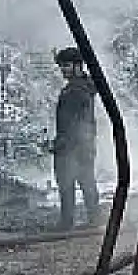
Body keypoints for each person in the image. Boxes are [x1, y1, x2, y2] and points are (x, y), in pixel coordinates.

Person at [52, 47, 100, 230]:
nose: (63, 70)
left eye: (67, 65)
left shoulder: (75, 90)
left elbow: (72, 123)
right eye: (62, 66)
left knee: (66, 183)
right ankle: (94, 219)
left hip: (73, 146)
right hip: (84, 144)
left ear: (78, 66)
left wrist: (62, 144)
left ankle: (66, 223)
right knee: (86, 181)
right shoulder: (84, 86)